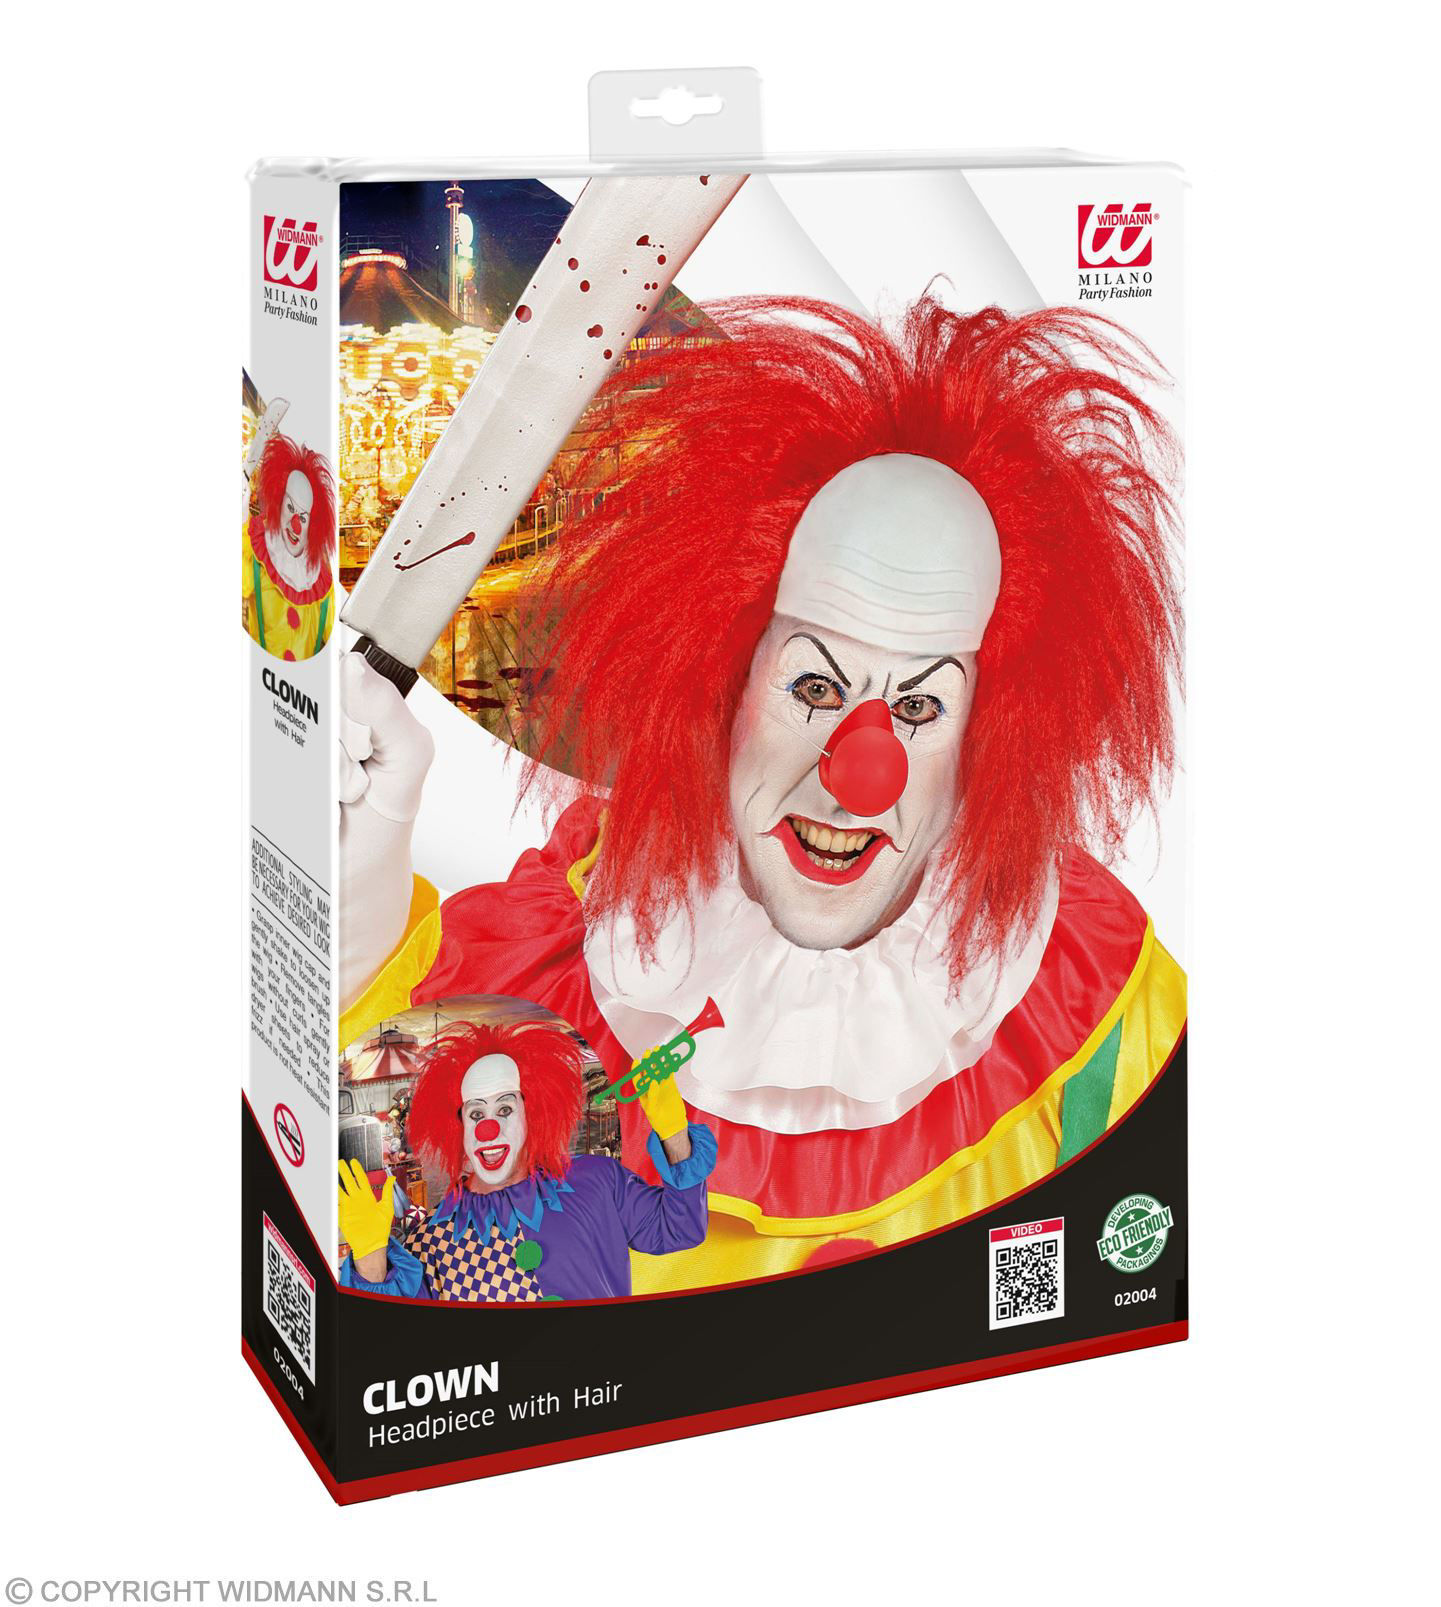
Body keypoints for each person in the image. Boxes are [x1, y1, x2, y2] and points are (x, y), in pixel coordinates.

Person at [337, 295, 1186, 1292]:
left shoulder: (1097, 1014)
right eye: (813, 688)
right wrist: (353, 907)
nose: (858, 772)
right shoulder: (557, 972)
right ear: (722, 685)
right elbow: (368, 1175)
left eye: (920, 707)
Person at [337, 1019, 716, 1301]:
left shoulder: (596, 1180)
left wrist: (673, 1133)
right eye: (475, 1113)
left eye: (505, 1109)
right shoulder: (432, 1240)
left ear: (531, 1114)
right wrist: (371, 1253)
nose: (488, 1128)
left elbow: (679, 1228)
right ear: (459, 1128)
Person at [243, 430, 336, 661]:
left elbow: (335, 637)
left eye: (303, 517)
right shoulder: (258, 552)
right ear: (278, 504)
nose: (295, 524)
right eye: (290, 508)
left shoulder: (321, 580)